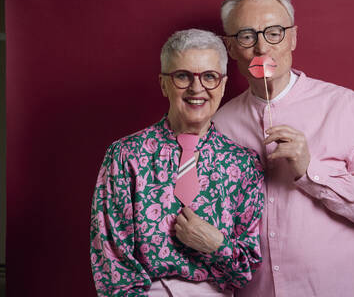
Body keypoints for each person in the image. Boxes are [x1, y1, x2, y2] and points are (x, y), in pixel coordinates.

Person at [213, 0, 354, 297]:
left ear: (293, 37)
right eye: (247, 36)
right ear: (230, 47)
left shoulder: (344, 106)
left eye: (274, 33)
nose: (262, 48)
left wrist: (309, 171)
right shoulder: (218, 124)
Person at [90, 29, 264, 297]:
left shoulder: (244, 164)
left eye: (209, 76)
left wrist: (215, 244)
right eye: (183, 76)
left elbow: (245, 270)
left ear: (223, 84)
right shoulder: (125, 156)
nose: (197, 88)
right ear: (163, 83)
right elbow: (112, 264)